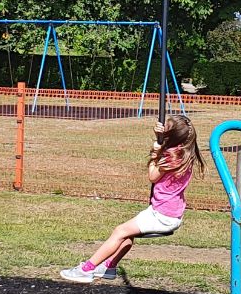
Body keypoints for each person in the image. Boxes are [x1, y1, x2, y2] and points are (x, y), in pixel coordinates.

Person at [60, 115, 203, 283]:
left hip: (162, 215)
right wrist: (161, 137)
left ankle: (86, 269)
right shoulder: (185, 153)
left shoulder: (171, 156)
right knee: (126, 235)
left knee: (119, 231)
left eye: (167, 127)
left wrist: (155, 152)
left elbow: (153, 176)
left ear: (171, 136)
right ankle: (109, 267)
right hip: (170, 213)